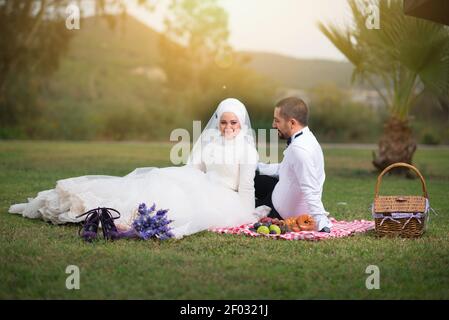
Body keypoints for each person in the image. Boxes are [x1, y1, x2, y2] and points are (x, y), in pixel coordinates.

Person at [9, 98, 264, 239]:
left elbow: (246, 188)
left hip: (224, 197)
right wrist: (183, 182)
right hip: (199, 184)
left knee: (174, 209)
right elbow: (193, 168)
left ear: (241, 124)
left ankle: (116, 218)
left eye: (233, 122)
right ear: (217, 122)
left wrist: (246, 214)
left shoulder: (246, 150)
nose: (227, 126)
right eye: (223, 122)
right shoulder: (209, 142)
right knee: (154, 186)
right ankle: (77, 203)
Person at [255, 97, 332, 232]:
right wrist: (257, 166)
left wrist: (321, 223)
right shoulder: (306, 137)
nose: (273, 125)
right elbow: (285, 168)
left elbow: (310, 188)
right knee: (251, 175)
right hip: (278, 190)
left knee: (239, 205)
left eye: (277, 121)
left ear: (292, 123)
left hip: (279, 212)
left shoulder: (299, 150)